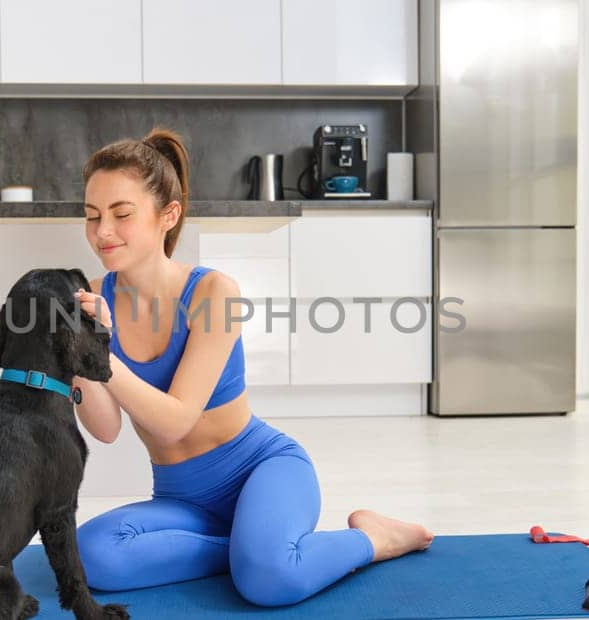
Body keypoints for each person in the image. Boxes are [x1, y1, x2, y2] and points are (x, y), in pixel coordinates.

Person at [69, 127, 433, 607]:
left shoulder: (214, 292)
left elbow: (177, 420)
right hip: (181, 502)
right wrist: (73, 356)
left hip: (262, 472)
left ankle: (376, 539)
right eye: (93, 216)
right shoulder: (96, 295)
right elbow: (107, 429)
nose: (103, 232)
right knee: (91, 557)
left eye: (121, 214)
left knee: (268, 583)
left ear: (168, 215)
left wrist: (102, 354)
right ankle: (254, 550)